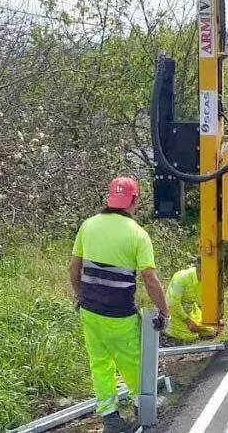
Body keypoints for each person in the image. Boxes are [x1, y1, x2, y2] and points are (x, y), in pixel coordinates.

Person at [69, 176, 171, 433]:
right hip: (119, 313)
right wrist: (164, 311)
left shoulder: (88, 225)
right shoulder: (138, 234)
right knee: (132, 361)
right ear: (134, 201)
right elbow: (149, 278)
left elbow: (74, 266)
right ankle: (141, 408)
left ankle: (110, 418)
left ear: (109, 198)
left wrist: (79, 294)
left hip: (90, 310)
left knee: (99, 363)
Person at [165, 258, 219, 343]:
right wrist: (188, 321)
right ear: (201, 269)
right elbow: (174, 303)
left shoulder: (206, 280)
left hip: (190, 308)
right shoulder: (181, 278)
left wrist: (214, 320)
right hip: (173, 311)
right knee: (188, 336)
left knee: (211, 330)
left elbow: (203, 302)